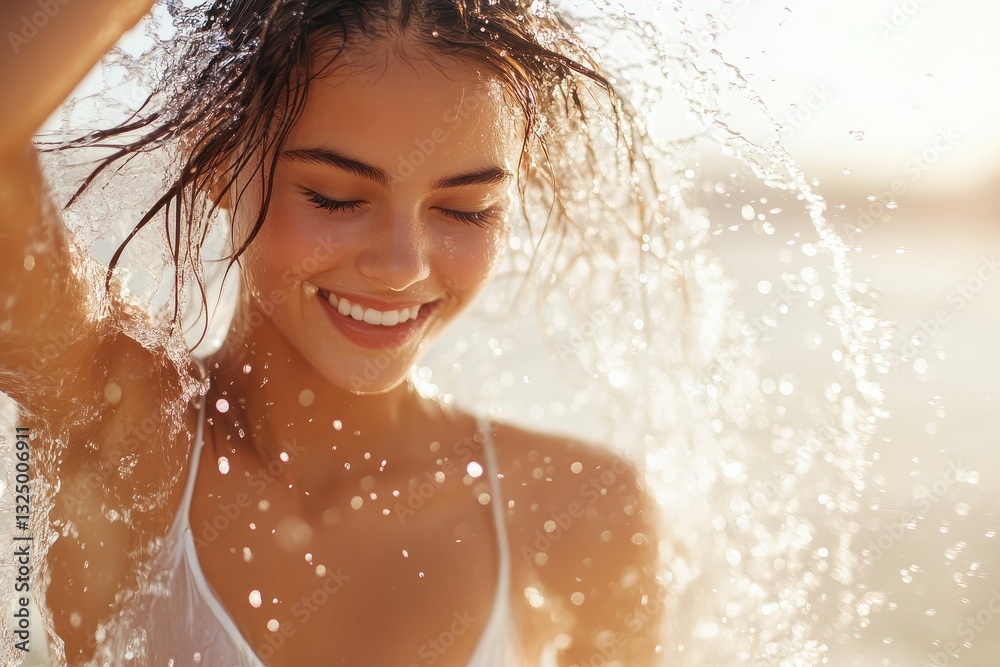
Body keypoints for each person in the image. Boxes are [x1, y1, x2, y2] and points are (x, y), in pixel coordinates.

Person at [0, 0, 664, 664]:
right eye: (336, 198)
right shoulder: (121, 425)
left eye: (466, 210)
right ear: (220, 158)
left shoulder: (576, 510)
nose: (402, 267)